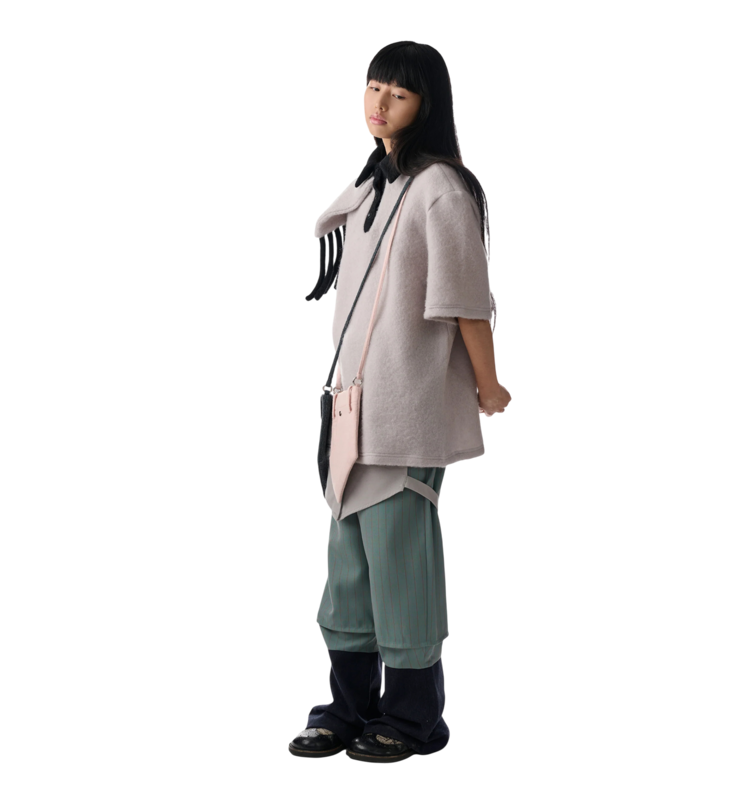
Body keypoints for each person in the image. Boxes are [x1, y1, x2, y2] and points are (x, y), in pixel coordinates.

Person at [288, 40, 512, 764]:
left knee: (399, 565)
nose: (379, 103)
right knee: (348, 572)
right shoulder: (372, 185)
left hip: (404, 411)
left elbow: (466, 301)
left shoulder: (441, 188)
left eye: (399, 93)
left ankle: (414, 720)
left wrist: (488, 386)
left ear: (427, 106)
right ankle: (345, 708)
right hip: (351, 409)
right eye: (372, 86)